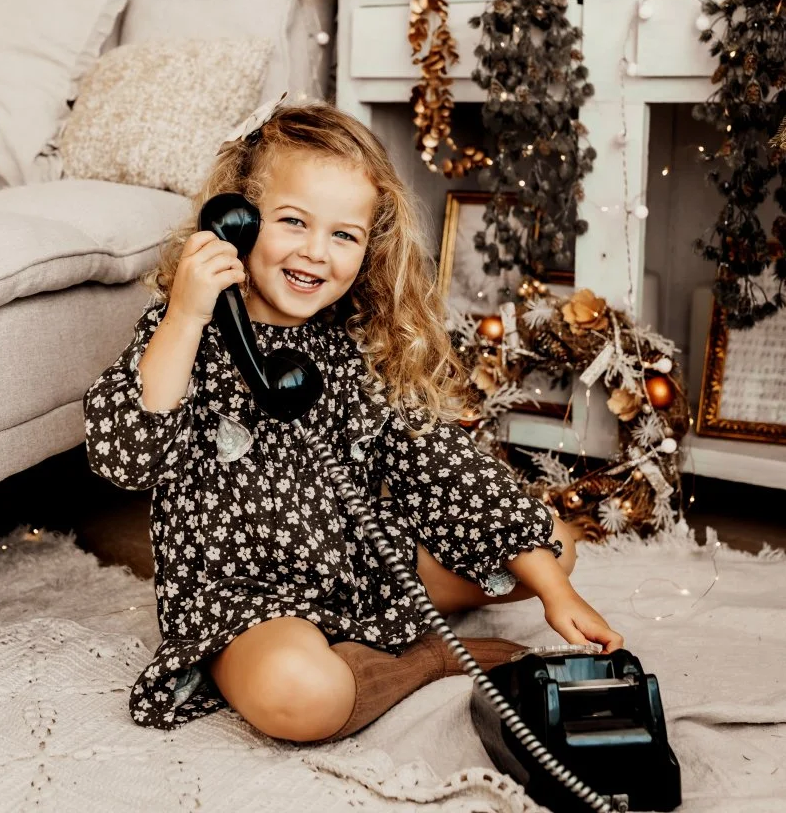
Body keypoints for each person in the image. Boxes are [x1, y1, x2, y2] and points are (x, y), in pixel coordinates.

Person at [83, 101, 622, 742]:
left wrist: (553, 593)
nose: (316, 253)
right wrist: (186, 317)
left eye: (344, 235)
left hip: (356, 566)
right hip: (242, 598)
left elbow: (441, 462)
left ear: (370, 249)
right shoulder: (182, 332)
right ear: (237, 221)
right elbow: (124, 458)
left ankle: (382, 639)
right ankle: (430, 658)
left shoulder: (357, 343)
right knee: (301, 694)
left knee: (555, 547)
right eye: (292, 222)